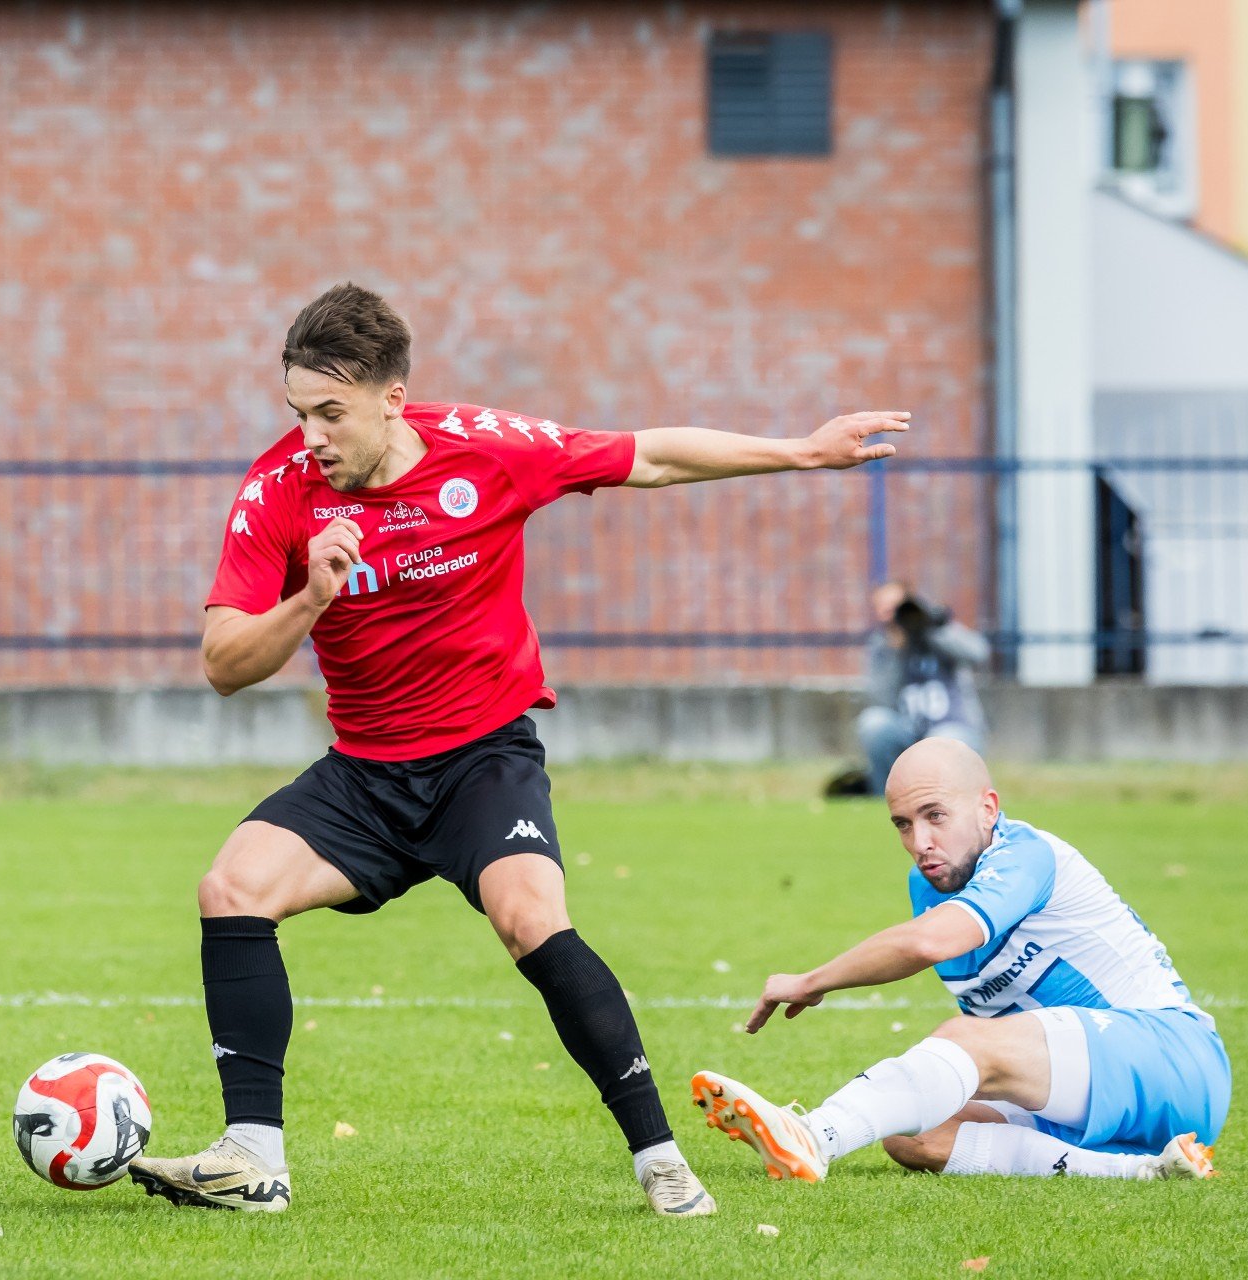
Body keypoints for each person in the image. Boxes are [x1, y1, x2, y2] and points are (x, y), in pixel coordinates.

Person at [126, 282, 909, 1217]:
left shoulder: (488, 451)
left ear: (392, 397)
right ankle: (253, 1158)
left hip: (482, 762)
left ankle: (659, 1158)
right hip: (367, 776)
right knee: (232, 889)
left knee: (530, 916)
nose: (314, 437)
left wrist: (801, 452)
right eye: (299, 414)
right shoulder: (279, 492)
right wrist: (309, 602)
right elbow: (222, 662)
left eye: (332, 413)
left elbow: (649, 456)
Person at [692, 737, 1227, 1184]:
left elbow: (929, 943)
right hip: (1094, 1099)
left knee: (963, 1040)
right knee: (912, 1134)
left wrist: (812, 981)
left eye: (935, 816)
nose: (920, 842)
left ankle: (816, 1135)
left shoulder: (1025, 854)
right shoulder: (927, 883)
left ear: (987, 808)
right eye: (903, 824)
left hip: (1174, 1061)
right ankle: (1143, 1171)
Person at [843, 582, 988, 796]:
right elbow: (881, 698)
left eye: (896, 607)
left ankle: (948, 802)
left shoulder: (938, 629)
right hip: (908, 727)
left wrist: (932, 630)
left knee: (942, 741)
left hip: (951, 725)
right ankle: (886, 798)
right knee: (873, 723)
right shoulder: (882, 645)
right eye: (884, 608)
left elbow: (978, 653)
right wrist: (896, 650)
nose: (892, 614)